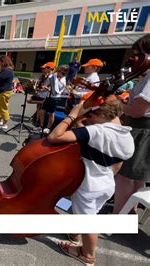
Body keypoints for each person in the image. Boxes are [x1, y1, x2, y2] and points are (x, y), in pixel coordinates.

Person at [47, 98, 134, 265]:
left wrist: (72, 116)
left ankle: (87, 255)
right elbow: (117, 164)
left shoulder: (96, 132)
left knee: (89, 221)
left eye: (90, 115)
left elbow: (54, 136)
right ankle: (75, 235)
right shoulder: (126, 135)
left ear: (101, 113)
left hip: (89, 186)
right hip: (107, 184)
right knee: (90, 213)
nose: (88, 118)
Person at [113, 34, 150, 214]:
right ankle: (129, 211)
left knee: (124, 175)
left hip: (141, 129)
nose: (135, 60)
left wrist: (118, 104)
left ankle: (119, 216)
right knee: (137, 176)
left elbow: (138, 110)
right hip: (142, 129)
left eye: (138, 55)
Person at [38, 65, 69, 134]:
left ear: (63, 72)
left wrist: (48, 89)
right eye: (58, 70)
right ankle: (41, 126)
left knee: (51, 114)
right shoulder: (54, 76)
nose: (58, 71)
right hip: (48, 96)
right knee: (42, 111)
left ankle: (48, 128)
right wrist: (45, 87)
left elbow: (57, 91)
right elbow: (49, 84)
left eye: (60, 70)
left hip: (55, 98)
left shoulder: (63, 81)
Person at [0, 55, 15, 129]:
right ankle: (0, 120)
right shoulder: (6, 70)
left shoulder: (7, 71)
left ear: (3, 62)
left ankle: (5, 124)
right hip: (2, 91)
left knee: (3, 108)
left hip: (4, 91)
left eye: (0, 62)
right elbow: (0, 70)